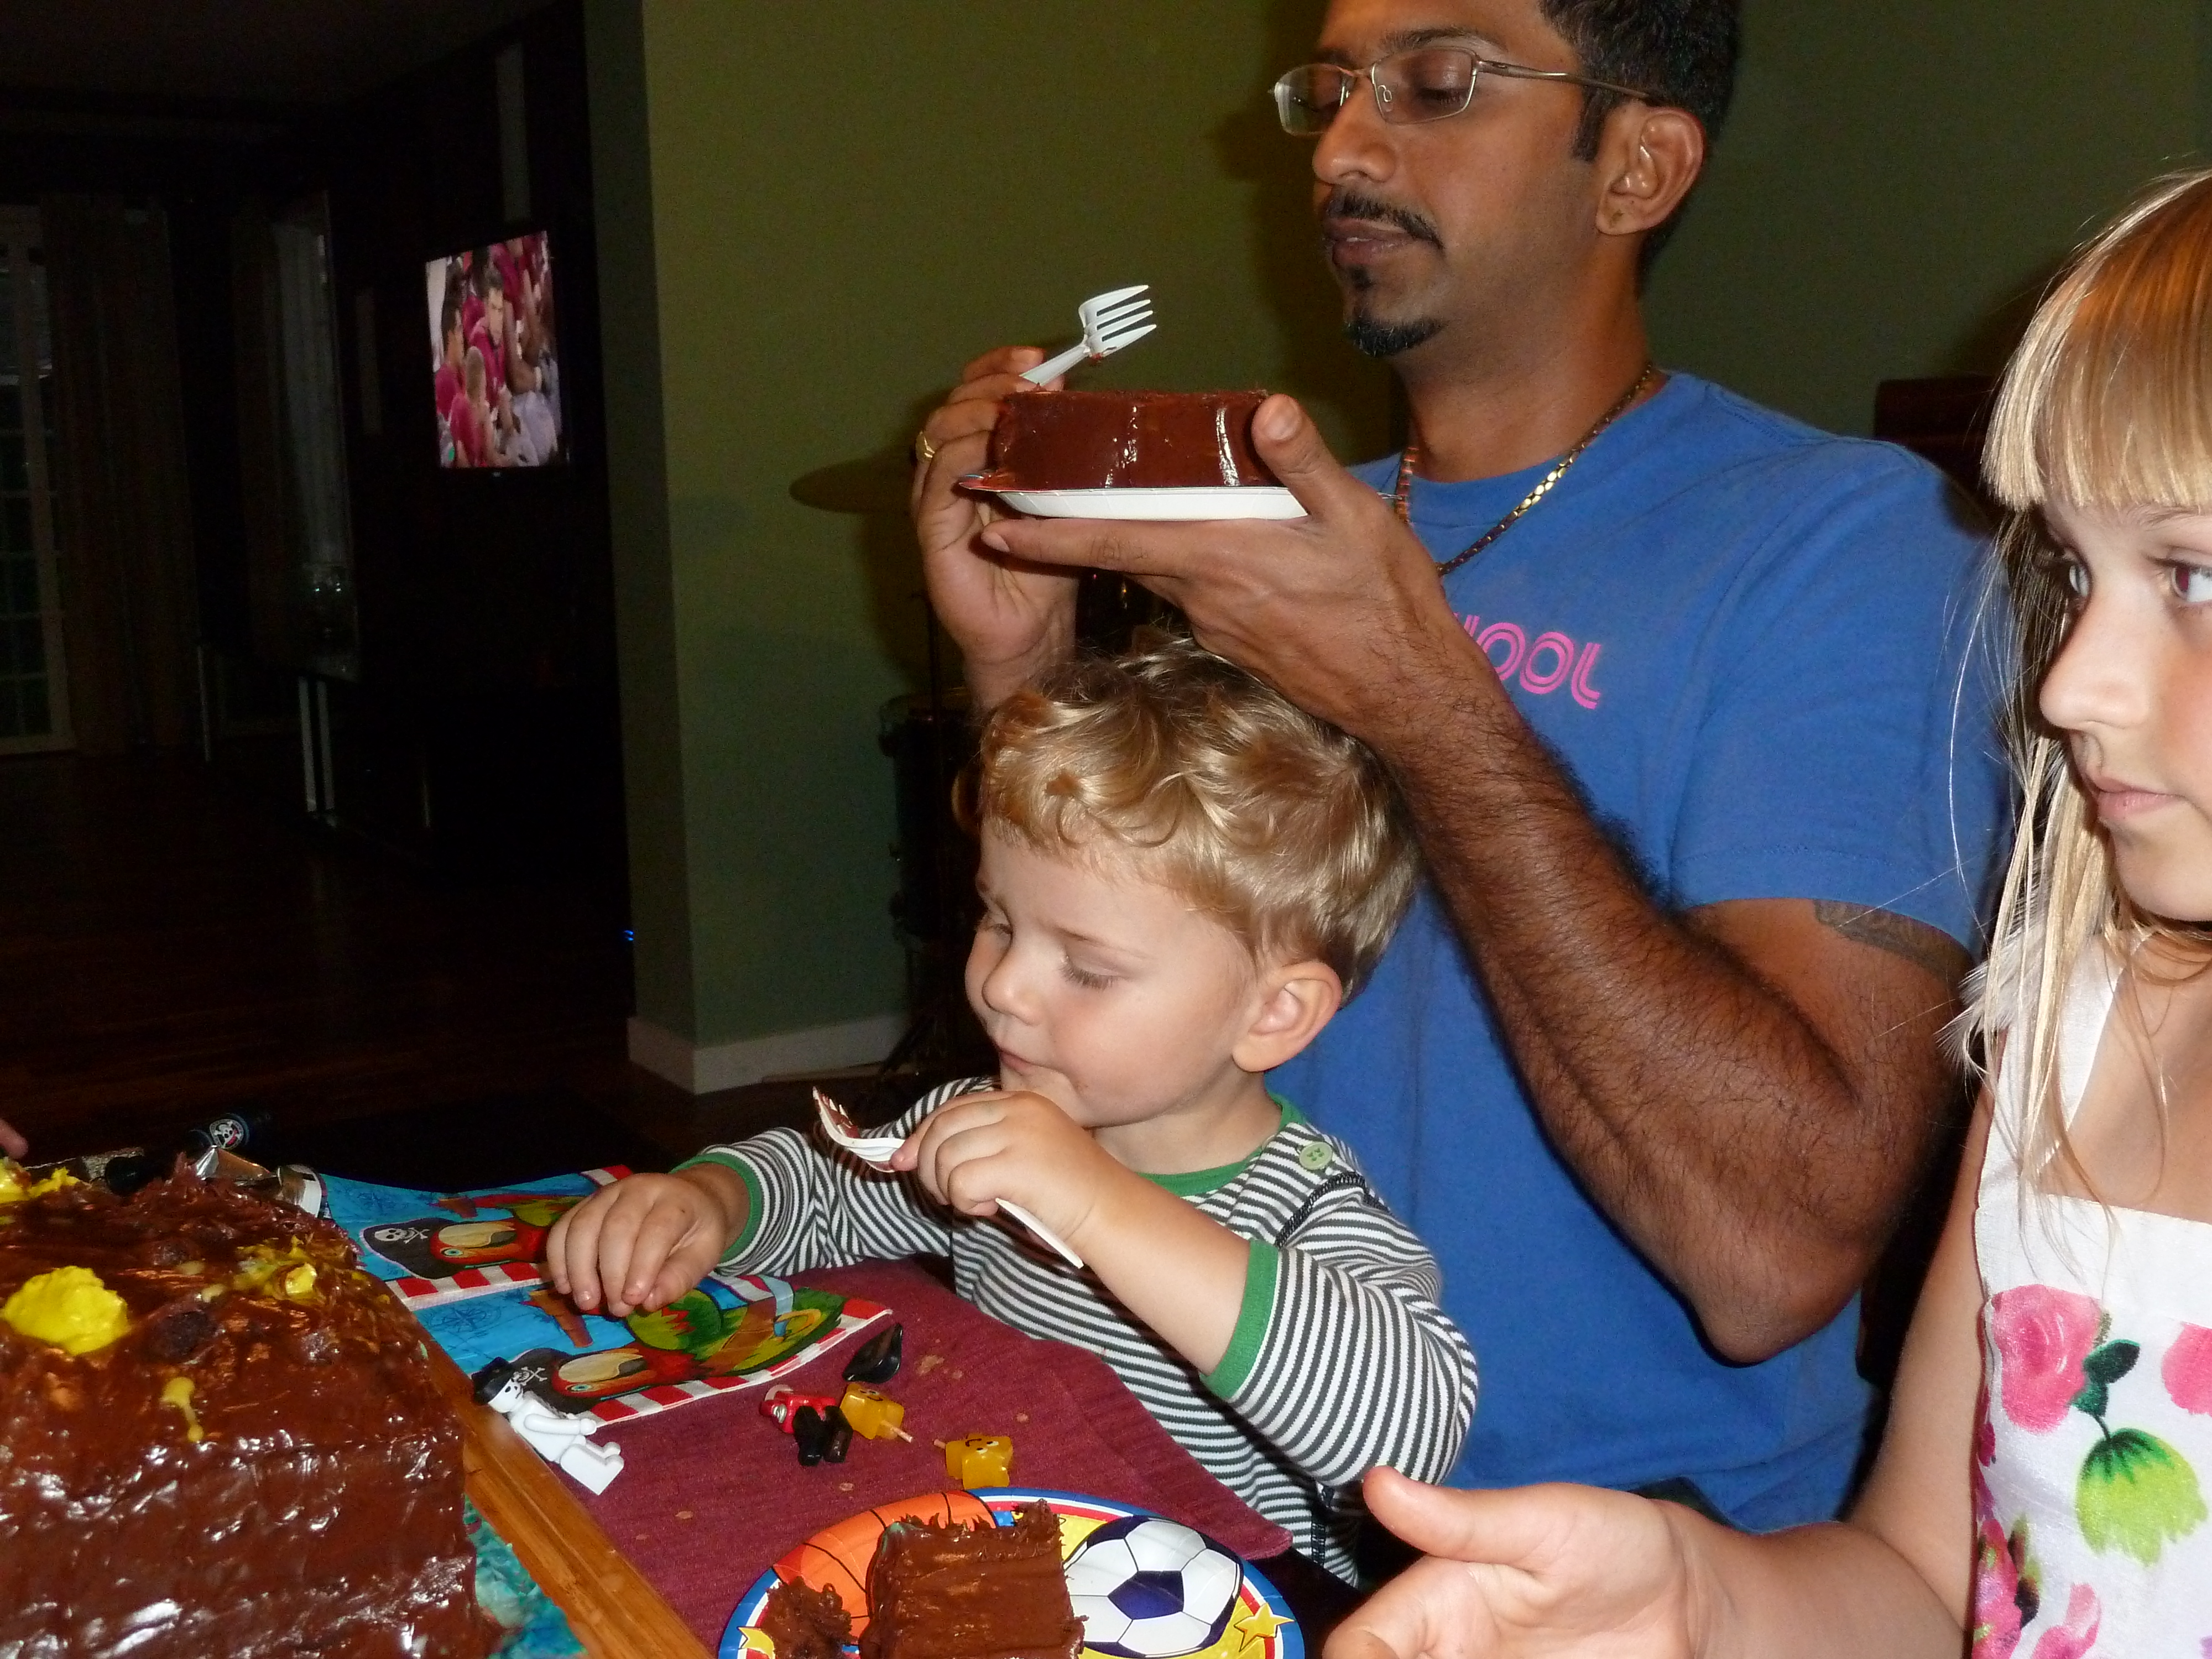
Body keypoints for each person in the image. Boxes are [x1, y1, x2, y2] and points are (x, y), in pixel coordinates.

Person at [910, 0, 2007, 1528]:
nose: (1342, 151)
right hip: (1220, 1495)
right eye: (1333, 90)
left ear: (1638, 165)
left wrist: (1428, 703)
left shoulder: (1852, 547)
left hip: (1622, 1557)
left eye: (1437, 83)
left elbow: (1772, 1256)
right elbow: (1105, 981)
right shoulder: (1268, 547)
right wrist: (1017, 662)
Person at [1325, 164, 2212, 1659]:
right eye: (2071, 572)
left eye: (2189, 574)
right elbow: (1927, 1581)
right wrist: (1693, 1594)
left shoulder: (1815, 537)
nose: (2069, 685)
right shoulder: (2071, 1036)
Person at [547, 634, 1475, 1579]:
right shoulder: (992, 1120)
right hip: (996, 1554)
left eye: (1088, 968)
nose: (1002, 987)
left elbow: (1410, 1428)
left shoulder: (1307, 1209)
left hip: (1212, 1608)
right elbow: (828, 1192)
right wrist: (713, 1200)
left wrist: (1095, 1202)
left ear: (1272, 1014)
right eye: (998, 921)